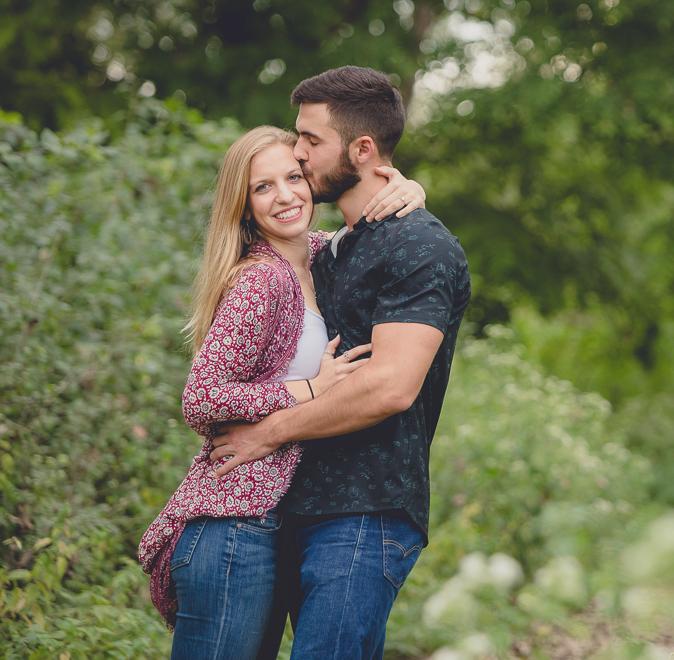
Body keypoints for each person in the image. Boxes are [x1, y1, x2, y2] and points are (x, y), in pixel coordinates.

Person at [209, 66, 472, 659]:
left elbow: (389, 387)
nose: (298, 155)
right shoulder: (334, 249)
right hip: (293, 506)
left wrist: (268, 432)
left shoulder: (419, 246)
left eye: (310, 141)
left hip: (366, 512)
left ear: (361, 148)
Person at [136, 125, 427, 659]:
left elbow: (366, 225)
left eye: (293, 176)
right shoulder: (260, 280)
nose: (286, 195)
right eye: (263, 187)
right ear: (244, 205)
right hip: (230, 521)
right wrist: (307, 389)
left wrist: (409, 189)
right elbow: (200, 397)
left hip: (267, 522)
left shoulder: (320, 257)